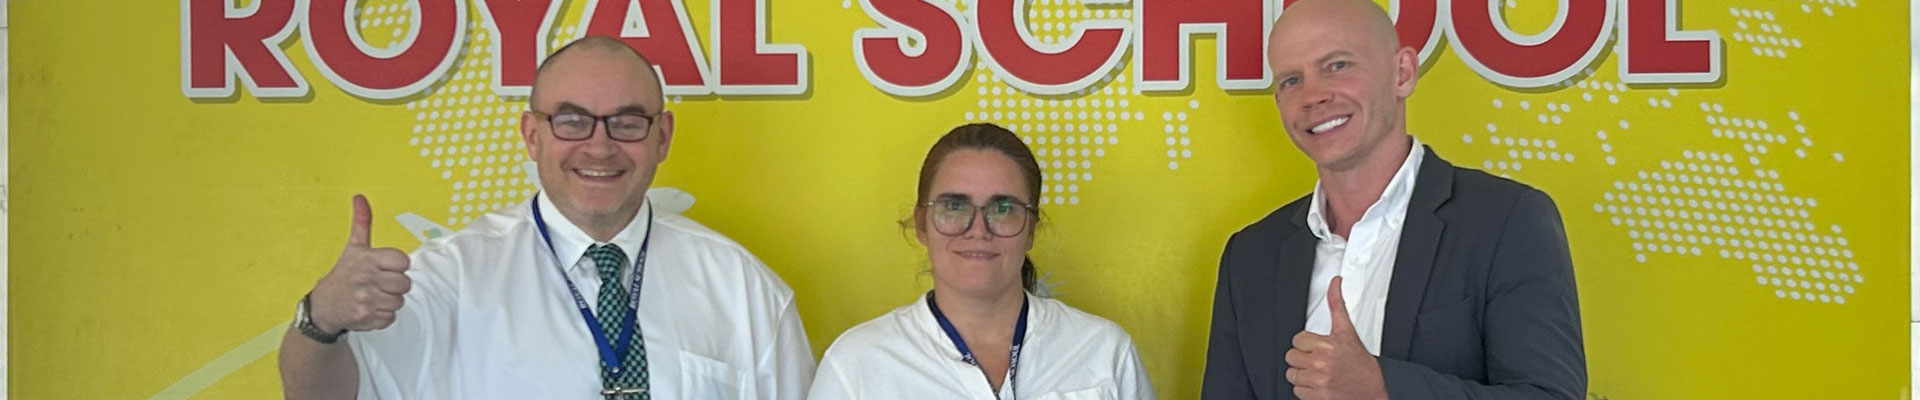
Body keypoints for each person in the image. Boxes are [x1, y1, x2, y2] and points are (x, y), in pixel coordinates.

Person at [277, 36, 815, 399]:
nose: (599, 148)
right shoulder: (448, 277)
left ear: (663, 137)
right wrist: (320, 320)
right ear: (531, 136)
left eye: (627, 122)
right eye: (572, 121)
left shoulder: (742, 287)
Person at [1199, 0, 1586, 399]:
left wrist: (1384, 387)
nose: (1313, 95)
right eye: (1290, 80)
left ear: (1402, 73)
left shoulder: (1506, 221)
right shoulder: (1250, 257)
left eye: (1337, 66)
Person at [807, 123, 1154, 399]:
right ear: (921, 224)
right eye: (954, 206)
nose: (978, 230)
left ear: (1031, 228)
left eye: (1002, 208)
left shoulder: (1104, 352)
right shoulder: (858, 364)